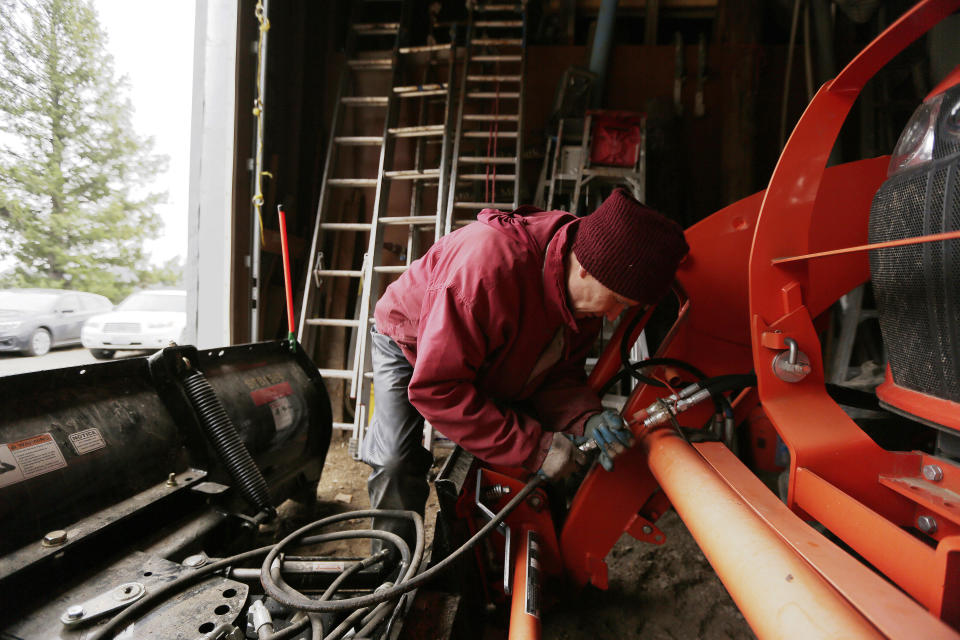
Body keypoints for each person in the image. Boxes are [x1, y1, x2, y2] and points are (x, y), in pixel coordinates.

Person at [360, 187, 689, 548]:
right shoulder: (485, 272)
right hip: (411, 339)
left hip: (492, 350)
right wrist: (534, 448)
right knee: (395, 460)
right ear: (585, 270)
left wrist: (584, 416)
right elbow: (438, 389)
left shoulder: (585, 295)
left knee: (521, 445)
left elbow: (557, 373)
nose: (613, 316)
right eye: (618, 302)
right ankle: (391, 569)